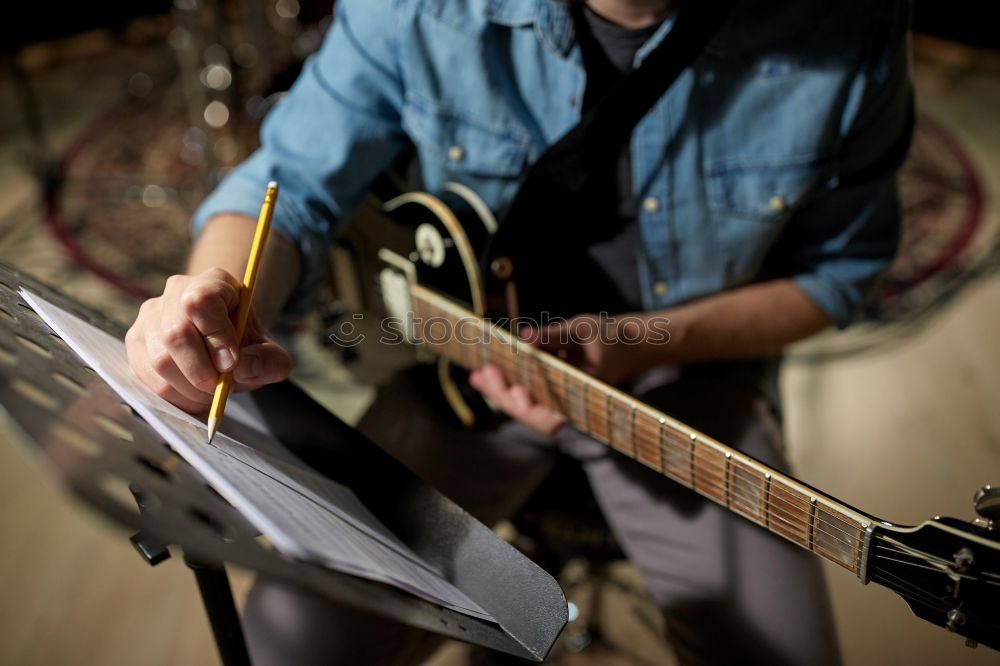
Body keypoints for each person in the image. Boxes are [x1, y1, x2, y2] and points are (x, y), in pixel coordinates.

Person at [126, 0, 913, 663]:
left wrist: (641, 345)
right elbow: (285, 186)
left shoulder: (847, 23)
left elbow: (839, 274)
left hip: (685, 382)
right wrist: (218, 294)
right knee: (287, 645)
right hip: (453, 375)